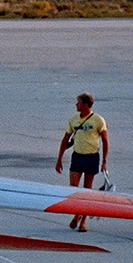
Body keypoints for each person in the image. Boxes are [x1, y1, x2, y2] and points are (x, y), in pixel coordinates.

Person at [55, 93, 108, 232]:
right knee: (74, 190)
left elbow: (105, 141)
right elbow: (65, 139)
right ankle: (77, 213)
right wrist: (59, 158)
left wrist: (104, 161)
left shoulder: (98, 120)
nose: (76, 105)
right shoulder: (73, 120)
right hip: (77, 157)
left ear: (85, 105)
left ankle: (82, 221)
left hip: (91, 157)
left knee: (87, 191)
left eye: (78, 102)